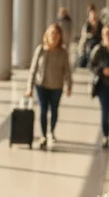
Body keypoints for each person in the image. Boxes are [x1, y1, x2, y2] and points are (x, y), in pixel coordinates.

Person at [27, 23, 74, 151]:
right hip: (41, 85)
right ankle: (43, 135)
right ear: (46, 35)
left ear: (60, 36)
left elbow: (67, 71)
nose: (54, 36)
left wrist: (69, 85)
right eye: (51, 33)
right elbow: (33, 69)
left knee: (54, 110)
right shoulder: (41, 50)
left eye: (57, 33)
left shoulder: (63, 52)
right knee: (43, 110)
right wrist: (29, 88)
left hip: (57, 86)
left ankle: (51, 131)